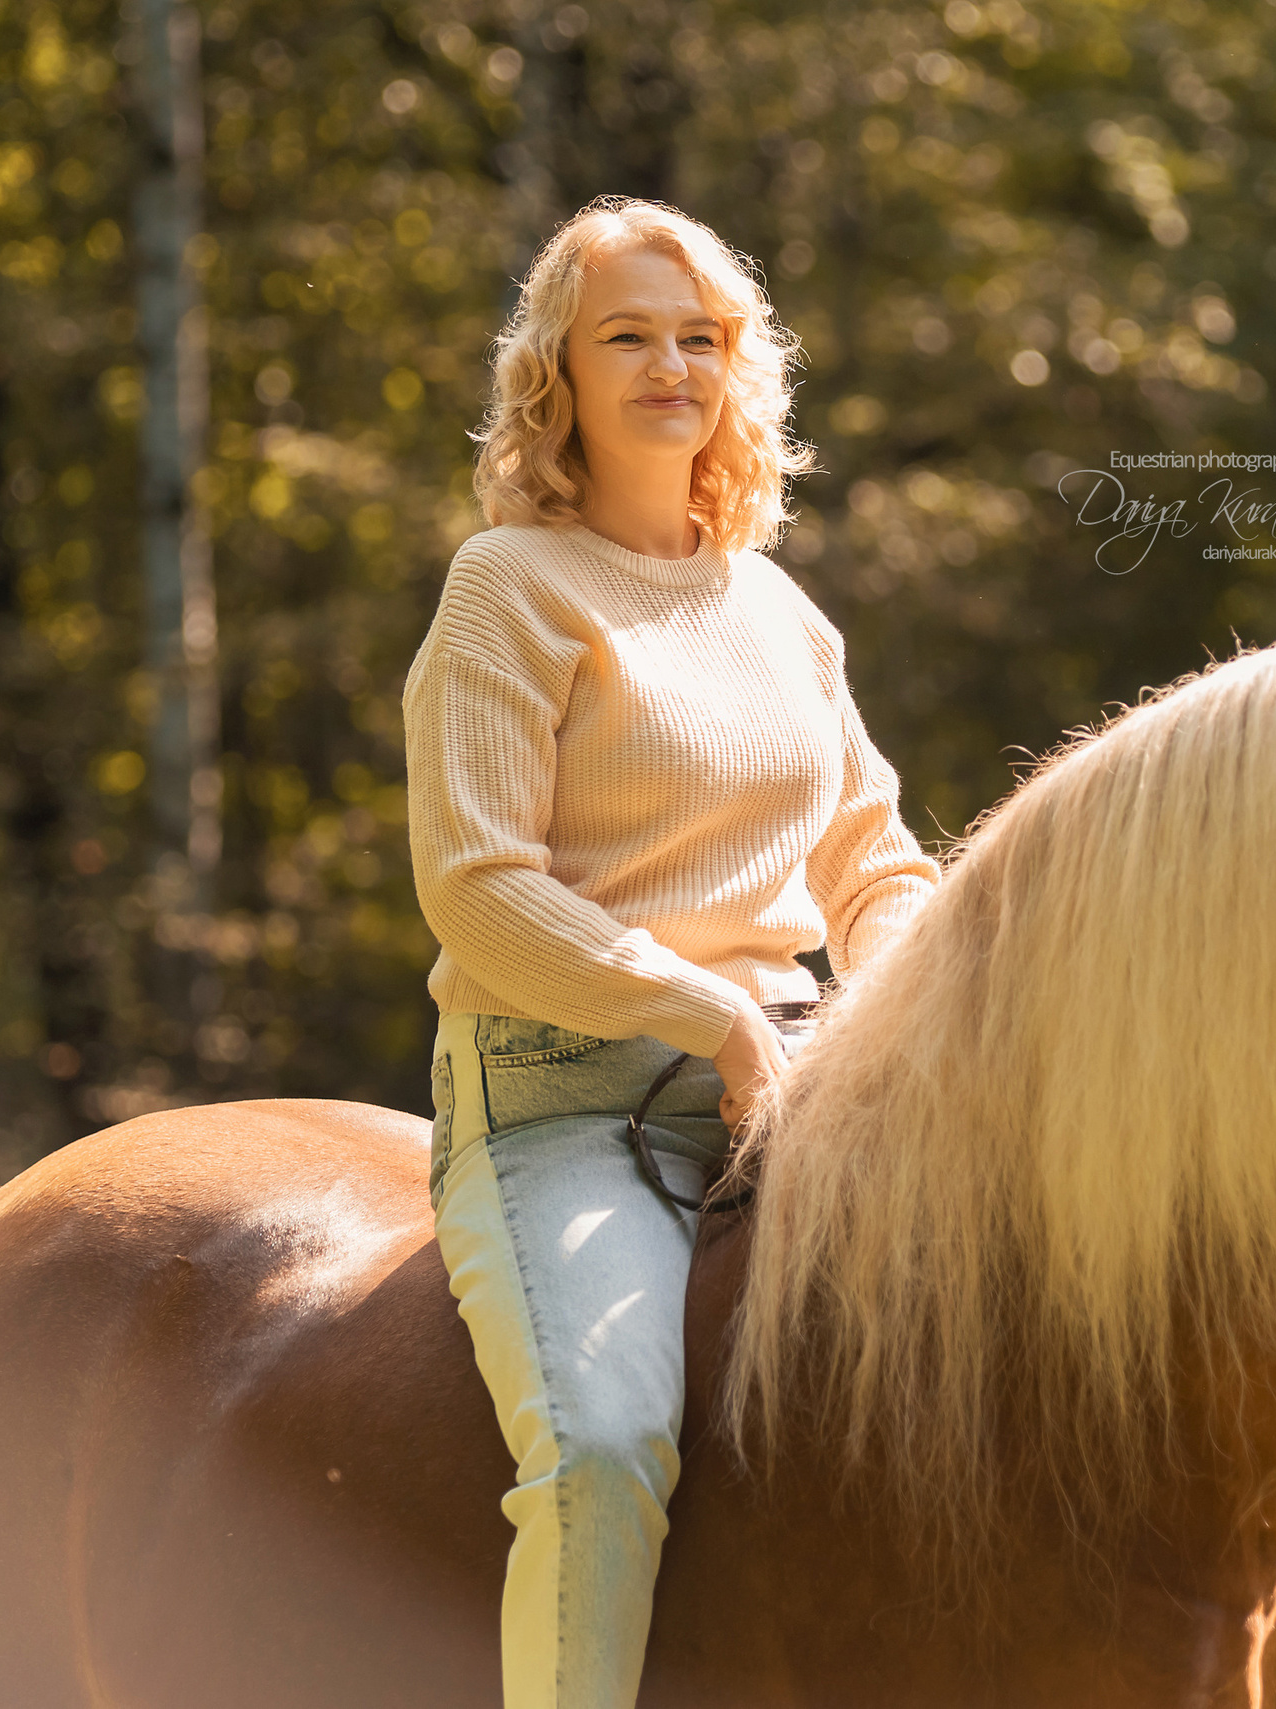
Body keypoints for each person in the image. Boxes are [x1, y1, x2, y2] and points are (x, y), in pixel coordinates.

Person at [401, 197, 941, 1709]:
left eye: (700, 338)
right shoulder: (506, 587)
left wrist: (885, 1006)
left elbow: (875, 856)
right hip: (567, 1099)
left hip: (801, 1088)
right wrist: (710, 1010)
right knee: (605, 1445)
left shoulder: (776, 609)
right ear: (553, 376)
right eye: (625, 335)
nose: (669, 366)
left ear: (738, 373)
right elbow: (478, 887)